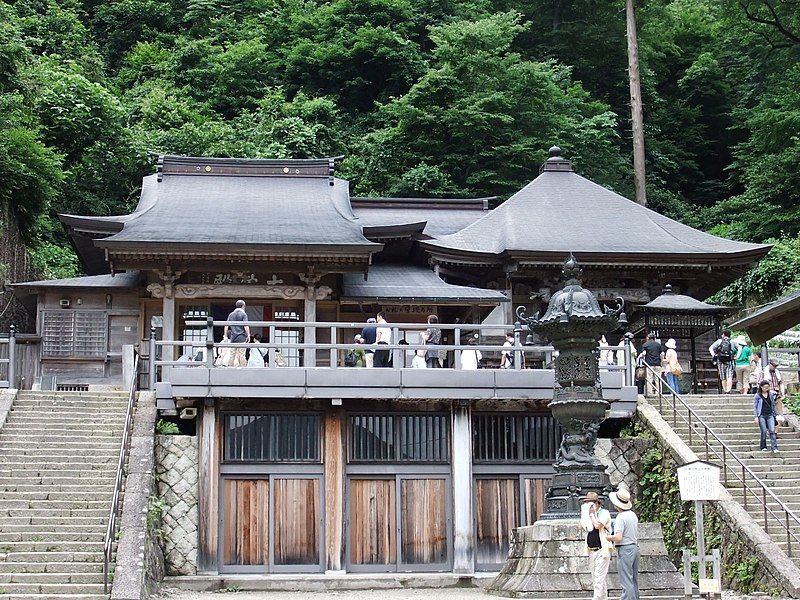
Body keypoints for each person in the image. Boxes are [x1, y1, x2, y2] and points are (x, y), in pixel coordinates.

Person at [606, 488, 639, 600]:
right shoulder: (632, 515)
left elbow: (619, 537)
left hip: (625, 549)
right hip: (634, 547)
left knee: (626, 580)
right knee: (633, 579)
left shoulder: (620, 517)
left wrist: (607, 537)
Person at [581, 491, 612, 600]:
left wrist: (592, 514)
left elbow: (598, 525)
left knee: (599, 578)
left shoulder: (604, 513)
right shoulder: (588, 515)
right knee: (597, 579)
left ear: (597, 503)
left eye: (591, 503)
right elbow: (583, 526)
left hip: (602, 550)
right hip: (591, 550)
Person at [709, 330, 739, 394]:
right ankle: (728, 390)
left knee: (723, 377)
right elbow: (740, 348)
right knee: (729, 376)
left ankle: (725, 390)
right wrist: (737, 356)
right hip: (730, 361)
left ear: (723, 334)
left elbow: (710, 348)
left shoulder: (719, 341)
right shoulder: (732, 341)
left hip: (720, 361)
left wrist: (714, 355)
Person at [753, 380, 779, 453]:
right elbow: (755, 406)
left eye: (768, 387)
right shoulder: (757, 395)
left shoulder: (770, 394)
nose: (766, 389)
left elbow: (773, 405)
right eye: (765, 387)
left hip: (770, 414)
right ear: (761, 387)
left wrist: (776, 414)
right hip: (761, 415)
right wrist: (756, 416)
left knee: (772, 430)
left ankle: (774, 447)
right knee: (763, 431)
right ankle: (763, 446)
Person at [223, 300, 250, 367]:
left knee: (232, 354)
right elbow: (246, 325)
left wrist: (225, 335)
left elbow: (226, 326)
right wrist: (248, 334)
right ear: (243, 306)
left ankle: (230, 368)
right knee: (242, 354)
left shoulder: (231, 314)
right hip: (242, 337)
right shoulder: (243, 314)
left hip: (233, 337)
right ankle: (243, 368)